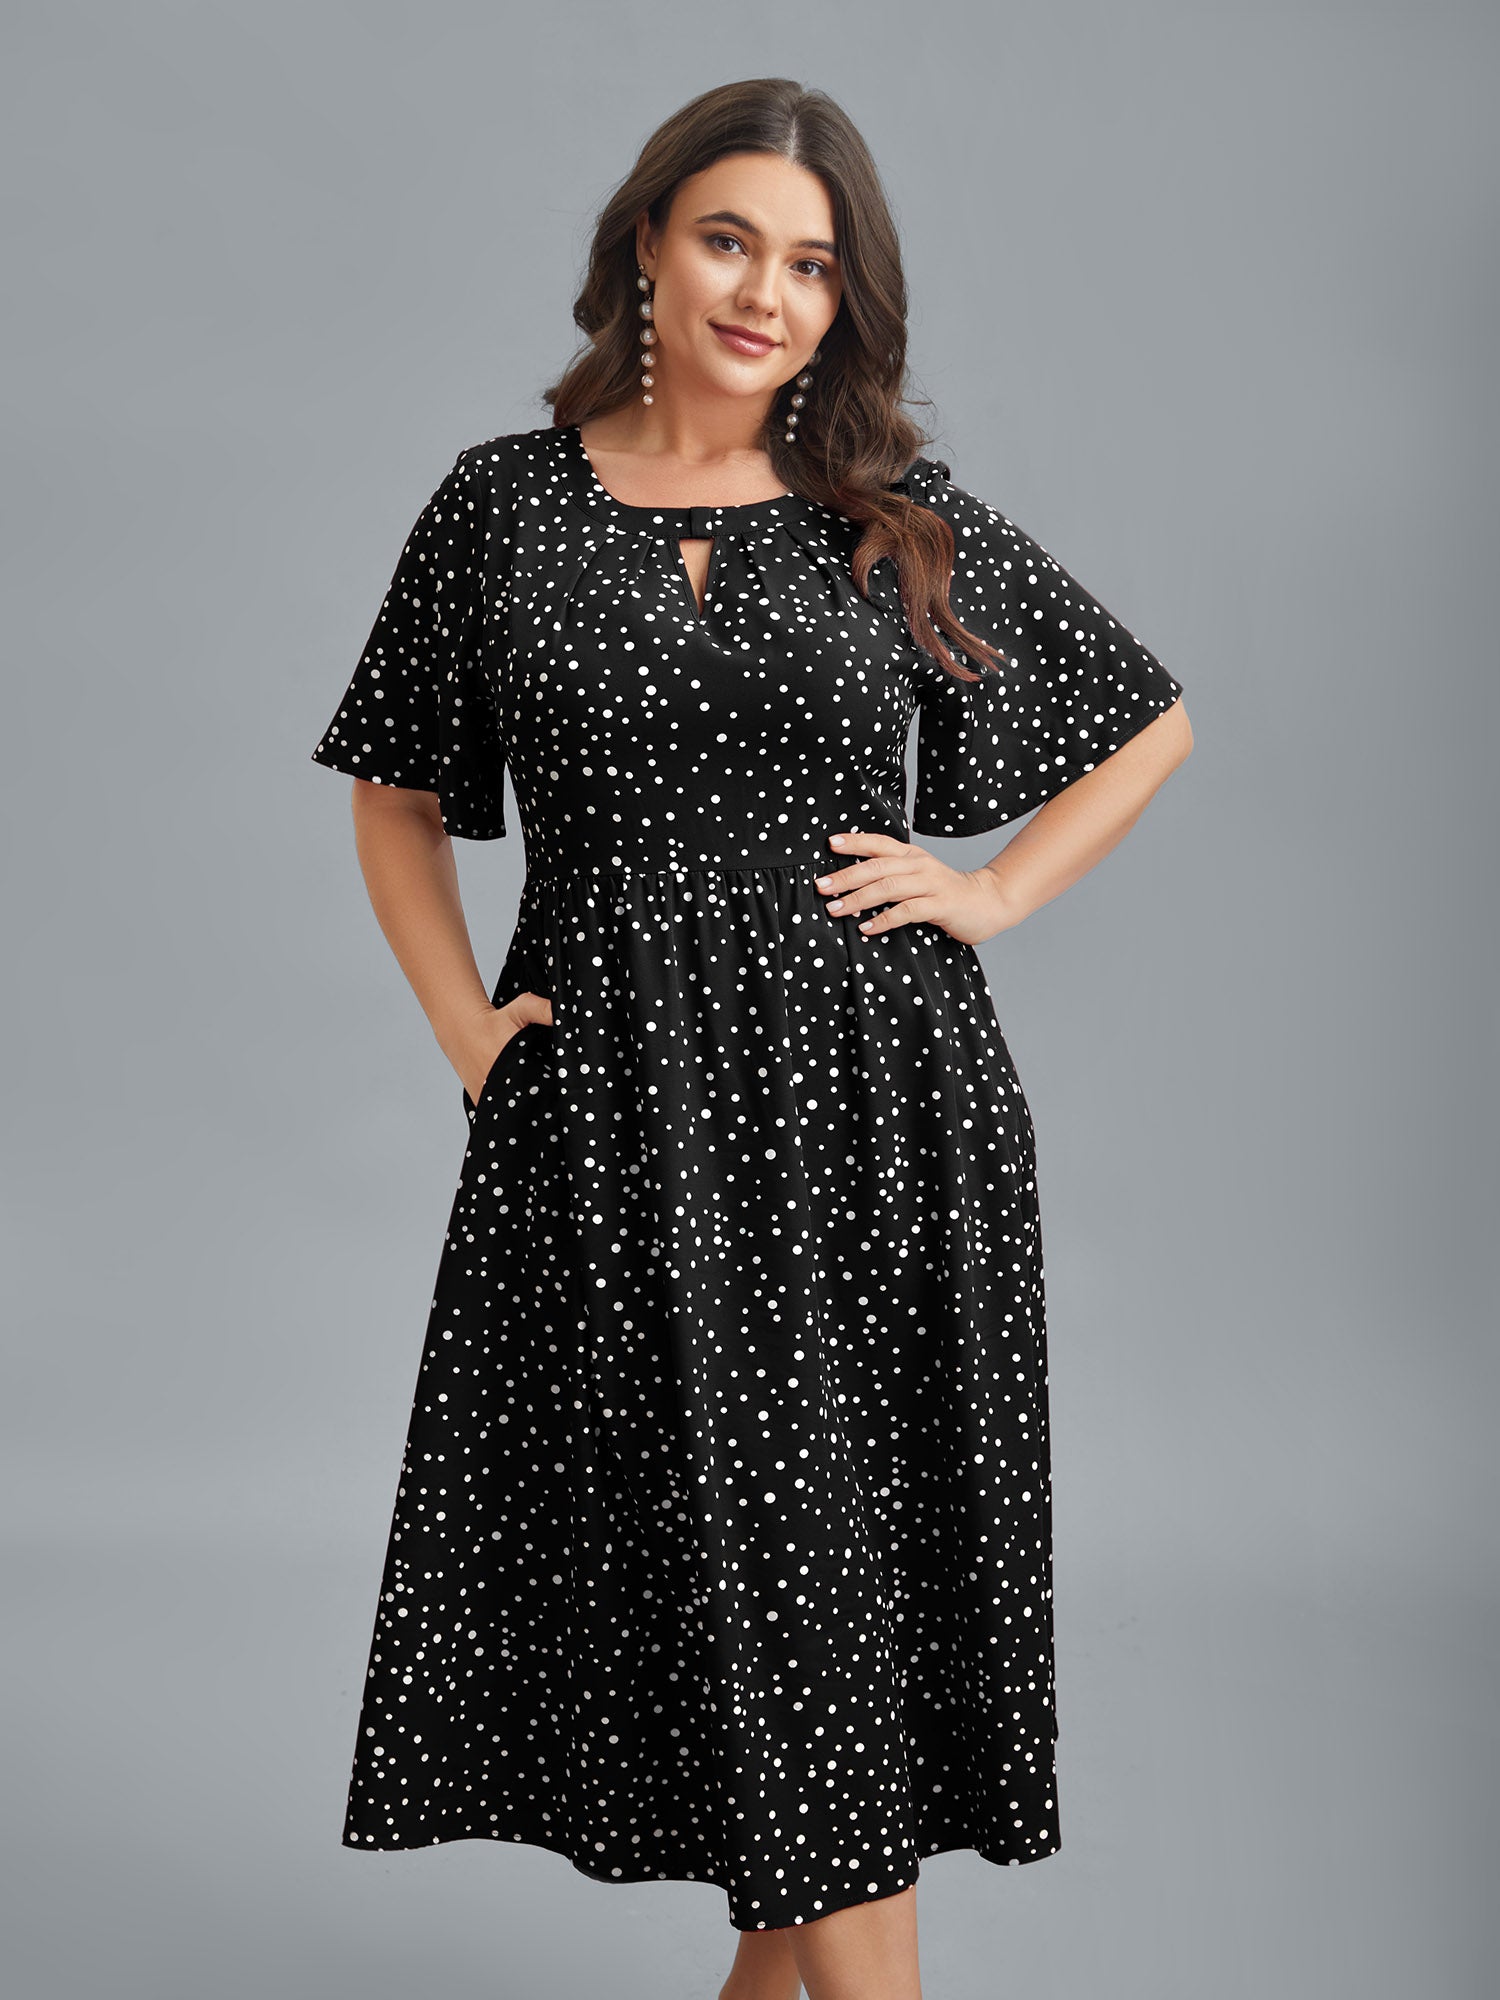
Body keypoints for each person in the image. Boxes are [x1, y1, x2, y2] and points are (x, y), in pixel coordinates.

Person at [309, 76, 1192, 2000]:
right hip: (613, 1126)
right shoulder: (502, 505)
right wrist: (467, 1029)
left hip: (878, 1119)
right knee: (754, 1621)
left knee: (820, 1623)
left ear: (841, 299)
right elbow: (397, 790)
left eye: (809, 264)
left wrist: (993, 893)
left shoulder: (892, 520)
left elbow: (1147, 726)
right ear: (647, 244)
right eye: (729, 240)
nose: (764, 294)